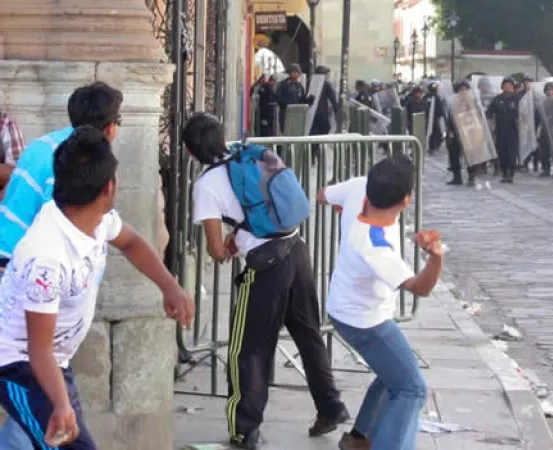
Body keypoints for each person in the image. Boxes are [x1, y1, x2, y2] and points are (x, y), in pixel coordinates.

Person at [0, 126, 193, 449]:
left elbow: (131, 242)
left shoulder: (96, 219)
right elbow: (38, 349)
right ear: (109, 187)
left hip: (52, 360)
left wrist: (169, 286)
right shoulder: (46, 257)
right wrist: (61, 404)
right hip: (18, 365)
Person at [183, 114, 349, 450]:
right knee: (309, 334)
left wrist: (228, 246)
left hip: (265, 266)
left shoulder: (206, 185)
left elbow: (215, 249)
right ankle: (331, 405)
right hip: (297, 250)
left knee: (248, 348)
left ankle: (245, 428)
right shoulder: (248, 156)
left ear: (189, 150)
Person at [0, 81, 127, 449]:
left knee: (37, 421)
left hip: (44, 343)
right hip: (24, 340)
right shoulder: (52, 245)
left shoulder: (57, 154)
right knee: (46, 421)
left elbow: (129, 239)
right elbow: (36, 348)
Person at [316, 156, 443, 450]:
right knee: (411, 388)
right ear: (406, 200)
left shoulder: (358, 187)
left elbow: (322, 195)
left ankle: (361, 438)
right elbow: (420, 288)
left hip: (347, 306)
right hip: (365, 321)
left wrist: (340, 206)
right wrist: (436, 257)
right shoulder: (376, 246)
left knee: (393, 373)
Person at [486, 77, 521, 183]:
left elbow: (525, 113)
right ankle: (504, 173)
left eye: (510, 85)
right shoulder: (497, 99)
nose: (507, 87)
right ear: (502, 86)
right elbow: (489, 112)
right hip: (500, 130)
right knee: (501, 152)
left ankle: (511, 173)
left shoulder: (518, 99)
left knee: (512, 152)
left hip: (513, 130)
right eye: (505, 85)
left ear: (513, 86)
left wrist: (520, 120)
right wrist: (489, 121)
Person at [445, 80, 480, 186]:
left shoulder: (473, 102)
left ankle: (471, 177)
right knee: (454, 155)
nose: (463, 91)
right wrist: (450, 130)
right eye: (461, 89)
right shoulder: (453, 103)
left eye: (465, 89)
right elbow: (450, 118)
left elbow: (477, 117)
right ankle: (457, 177)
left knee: (471, 156)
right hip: (456, 133)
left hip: (469, 132)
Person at [310, 65, 339, 162]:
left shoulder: (312, 83)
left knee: (316, 133)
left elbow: (333, 99)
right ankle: (315, 149)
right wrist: (336, 111)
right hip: (319, 114)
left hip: (315, 114)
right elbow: (333, 99)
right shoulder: (324, 84)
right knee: (319, 132)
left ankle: (315, 150)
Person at [275, 64, 313, 133]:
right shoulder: (282, 84)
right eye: (294, 72)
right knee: (286, 132)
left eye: (298, 72)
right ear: (290, 73)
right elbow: (278, 98)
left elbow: (302, 100)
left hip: (297, 115)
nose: (296, 74)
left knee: (296, 133)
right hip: (286, 114)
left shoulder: (300, 86)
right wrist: (290, 104)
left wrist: (309, 101)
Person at [424, 81, 446, 154]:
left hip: (426, 118)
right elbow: (440, 109)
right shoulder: (436, 97)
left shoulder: (426, 96)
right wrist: (442, 115)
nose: (439, 88)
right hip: (434, 118)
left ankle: (430, 147)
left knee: (430, 132)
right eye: (437, 87)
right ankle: (433, 148)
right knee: (436, 133)